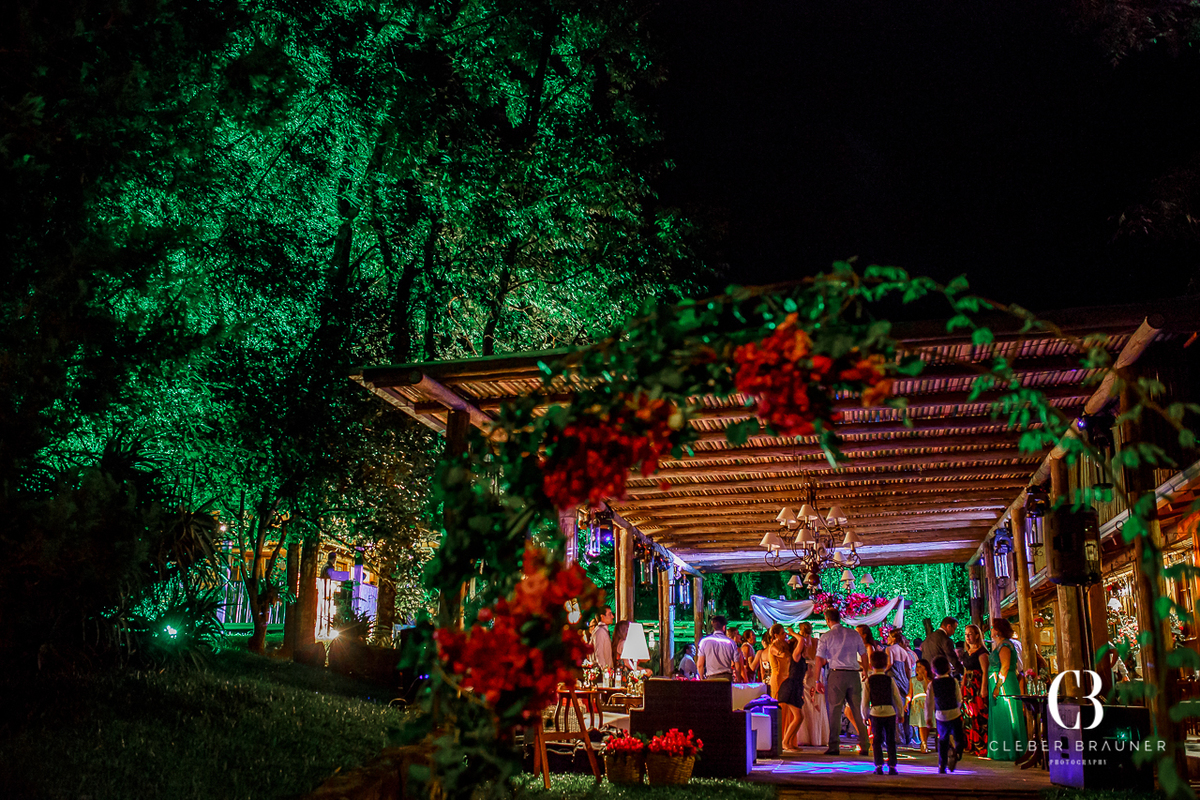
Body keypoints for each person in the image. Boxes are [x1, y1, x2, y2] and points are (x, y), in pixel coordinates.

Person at [815, 607, 869, 756]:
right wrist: (865, 670)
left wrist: (816, 680)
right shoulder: (853, 634)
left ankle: (834, 746)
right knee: (856, 710)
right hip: (853, 675)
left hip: (836, 674)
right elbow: (864, 654)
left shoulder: (826, 636)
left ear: (827, 620)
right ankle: (865, 744)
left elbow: (819, 659)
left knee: (835, 711)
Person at [987, 617, 1027, 761]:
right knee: (1000, 715)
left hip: (1004, 684)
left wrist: (998, 686)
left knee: (1008, 714)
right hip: (997, 681)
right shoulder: (999, 645)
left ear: (997, 631)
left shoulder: (1005, 646)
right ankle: (1001, 749)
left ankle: (1010, 750)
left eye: (992, 627)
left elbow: (1005, 666)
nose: (990, 630)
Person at [861, 650, 905, 775]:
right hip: (890, 712)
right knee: (891, 739)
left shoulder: (868, 681)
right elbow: (897, 698)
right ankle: (892, 765)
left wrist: (865, 715)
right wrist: (900, 713)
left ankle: (878, 765)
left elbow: (865, 700)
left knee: (877, 740)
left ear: (871, 665)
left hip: (875, 713)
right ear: (886, 664)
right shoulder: (890, 680)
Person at [766, 625, 807, 750]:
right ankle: (781, 741)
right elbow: (784, 656)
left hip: (788, 679)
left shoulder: (787, 647)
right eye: (783, 633)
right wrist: (793, 633)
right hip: (779, 678)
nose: (786, 635)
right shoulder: (774, 647)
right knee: (781, 711)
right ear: (776, 635)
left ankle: (788, 741)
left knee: (792, 714)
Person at [926, 655, 965, 774]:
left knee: (943, 740)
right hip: (954, 713)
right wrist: (957, 708)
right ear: (948, 668)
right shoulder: (953, 681)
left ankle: (942, 765)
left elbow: (929, 702)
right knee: (959, 737)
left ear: (933, 670)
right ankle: (957, 752)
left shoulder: (932, 684)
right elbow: (959, 698)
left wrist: (928, 718)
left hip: (940, 715)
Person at [794, 622, 829, 747]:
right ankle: (818, 737)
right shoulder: (817, 641)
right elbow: (824, 660)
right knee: (817, 702)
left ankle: (806, 736)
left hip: (805, 672)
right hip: (817, 672)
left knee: (806, 702)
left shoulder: (800, 642)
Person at [961, 623, 990, 757]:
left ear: (977, 635)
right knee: (968, 714)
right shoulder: (966, 652)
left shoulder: (982, 652)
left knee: (978, 714)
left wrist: (983, 688)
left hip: (977, 684)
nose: (967, 637)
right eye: (966, 634)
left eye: (970, 634)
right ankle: (971, 744)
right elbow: (965, 671)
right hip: (968, 685)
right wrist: (962, 686)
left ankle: (982, 745)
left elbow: (985, 671)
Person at [885, 629, 915, 745]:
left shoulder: (889, 649)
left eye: (888, 636)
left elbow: (890, 663)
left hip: (894, 680)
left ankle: (898, 737)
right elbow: (908, 669)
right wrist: (908, 682)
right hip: (904, 682)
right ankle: (908, 736)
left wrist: (880, 671)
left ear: (893, 638)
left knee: (895, 709)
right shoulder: (904, 652)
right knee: (904, 710)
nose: (887, 638)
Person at [697, 615, 745, 680]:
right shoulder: (731, 643)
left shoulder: (704, 642)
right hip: (726, 678)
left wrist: (702, 678)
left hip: (711, 678)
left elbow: (700, 664)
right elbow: (737, 665)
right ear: (724, 627)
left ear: (713, 627)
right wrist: (738, 680)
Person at [908, 658, 932, 753]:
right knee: (921, 723)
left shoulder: (929, 680)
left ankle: (924, 741)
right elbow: (910, 693)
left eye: (920, 667)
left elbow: (927, 690)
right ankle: (923, 743)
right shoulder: (913, 680)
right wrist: (906, 703)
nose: (917, 669)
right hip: (917, 704)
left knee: (926, 725)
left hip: (926, 702)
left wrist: (925, 678)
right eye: (916, 667)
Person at [592, 606, 615, 671]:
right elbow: (599, 653)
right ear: (602, 617)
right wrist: (605, 670)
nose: (612, 617)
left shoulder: (603, 631)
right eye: (609, 614)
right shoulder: (600, 631)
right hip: (603, 673)